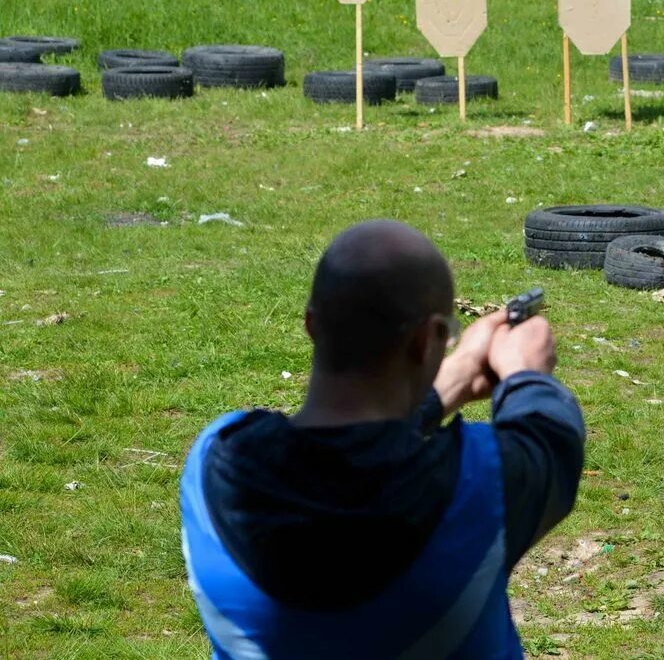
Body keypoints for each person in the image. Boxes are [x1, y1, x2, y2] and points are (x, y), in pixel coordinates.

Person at [179, 219, 585, 659]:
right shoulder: (484, 485)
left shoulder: (214, 462)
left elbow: (346, 459)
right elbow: (551, 435)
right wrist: (524, 373)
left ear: (312, 324)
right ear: (425, 340)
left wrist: (451, 380)